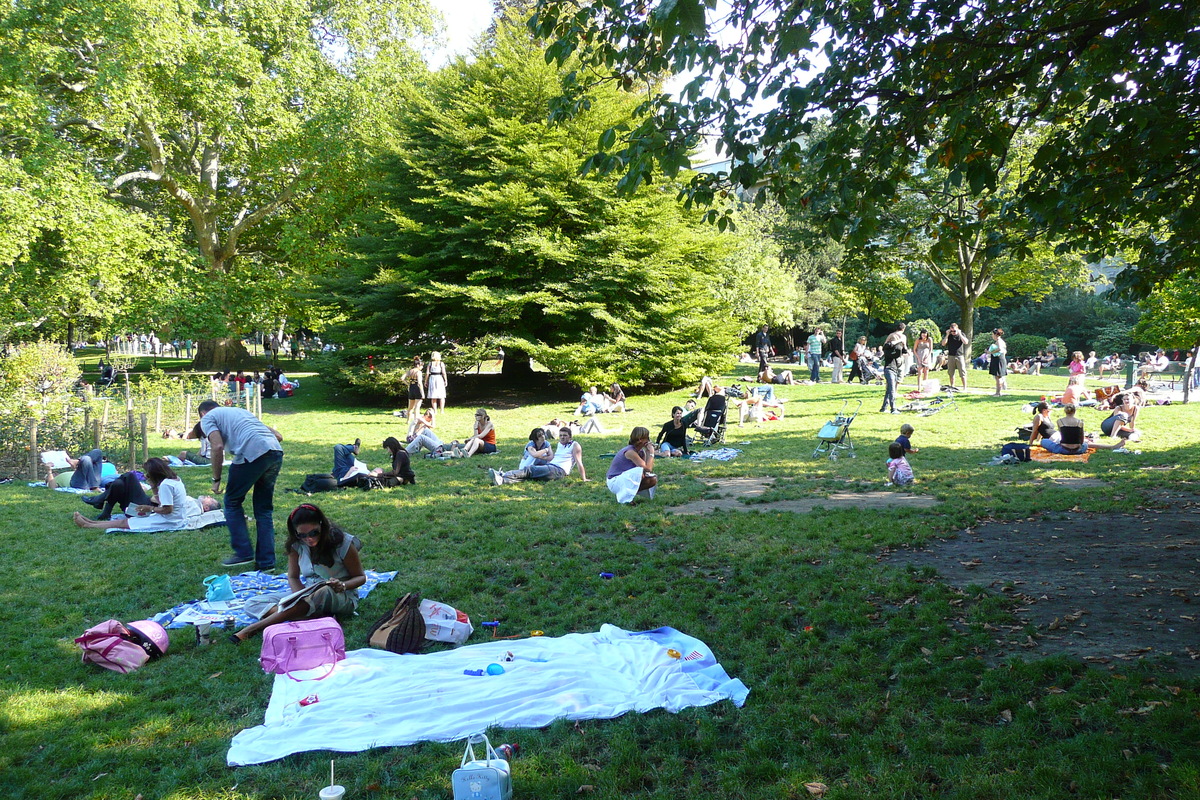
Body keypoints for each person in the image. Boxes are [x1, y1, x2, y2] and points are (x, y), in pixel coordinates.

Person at [228, 504, 365, 644]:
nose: (309, 539)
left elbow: (360, 577)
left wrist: (342, 585)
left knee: (324, 590)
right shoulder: (296, 545)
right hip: (307, 592)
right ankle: (313, 617)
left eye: (314, 533)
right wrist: (300, 597)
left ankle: (252, 629)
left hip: (341, 595)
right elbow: (293, 577)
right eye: (302, 535)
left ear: (322, 525)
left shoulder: (342, 543)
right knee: (252, 603)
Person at [198, 398, 285, 570]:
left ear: (202, 413)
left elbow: (216, 447)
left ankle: (243, 552)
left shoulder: (207, 418)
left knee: (231, 502)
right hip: (275, 451)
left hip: (252, 453)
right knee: (263, 510)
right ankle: (266, 563)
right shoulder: (240, 412)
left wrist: (216, 480)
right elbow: (278, 436)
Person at [73, 458, 217, 531]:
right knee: (120, 483)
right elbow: (164, 502)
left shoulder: (168, 485)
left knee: (124, 521)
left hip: (168, 519)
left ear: (207, 507)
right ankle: (93, 519)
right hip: (167, 516)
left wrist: (150, 509)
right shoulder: (174, 480)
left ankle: (90, 522)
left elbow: (168, 509)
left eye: (210, 499)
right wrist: (154, 487)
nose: (208, 496)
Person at [489, 426, 588, 485]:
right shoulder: (559, 444)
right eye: (560, 435)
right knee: (530, 476)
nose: (562, 437)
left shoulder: (575, 445)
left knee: (530, 470)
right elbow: (552, 458)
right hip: (551, 467)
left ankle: (503, 474)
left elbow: (579, 462)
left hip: (558, 471)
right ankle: (503, 480)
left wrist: (584, 478)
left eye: (565, 435)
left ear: (570, 436)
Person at [606, 427, 657, 504]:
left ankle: (629, 495)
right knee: (639, 471)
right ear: (640, 439)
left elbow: (646, 470)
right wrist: (652, 453)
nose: (649, 441)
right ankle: (625, 498)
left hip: (624, 479)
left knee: (652, 479)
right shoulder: (630, 452)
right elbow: (648, 468)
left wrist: (647, 452)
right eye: (647, 438)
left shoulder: (640, 452)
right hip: (614, 481)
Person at [76, 471, 152, 521]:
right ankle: (105, 512)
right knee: (119, 484)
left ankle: (100, 500)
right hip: (138, 508)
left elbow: (158, 502)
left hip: (143, 511)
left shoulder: (163, 485)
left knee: (130, 476)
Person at [880, 323, 908, 414]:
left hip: (895, 368)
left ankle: (883, 408)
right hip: (889, 368)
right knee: (892, 389)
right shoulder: (888, 348)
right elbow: (886, 345)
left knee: (889, 389)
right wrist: (898, 340)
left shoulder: (898, 351)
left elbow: (905, 351)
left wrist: (903, 343)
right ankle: (893, 409)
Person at [941, 323, 969, 389]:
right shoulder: (949, 336)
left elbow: (966, 342)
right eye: (951, 331)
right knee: (951, 372)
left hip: (960, 355)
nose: (953, 332)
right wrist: (947, 334)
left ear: (958, 329)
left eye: (954, 331)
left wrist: (959, 334)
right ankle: (952, 386)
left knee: (962, 372)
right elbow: (943, 343)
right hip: (951, 356)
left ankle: (964, 387)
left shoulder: (961, 334)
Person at [404, 356, 424, 434]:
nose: (422, 368)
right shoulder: (418, 372)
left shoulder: (410, 371)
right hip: (417, 388)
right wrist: (422, 393)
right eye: (422, 366)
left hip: (411, 387)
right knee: (417, 406)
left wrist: (408, 384)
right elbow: (419, 383)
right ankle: (416, 421)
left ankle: (408, 420)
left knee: (410, 407)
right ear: (418, 365)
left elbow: (402, 378)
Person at [426, 351, 448, 418]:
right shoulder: (441, 363)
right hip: (439, 378)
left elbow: (427, 373)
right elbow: (444, 372)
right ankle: (442, 410)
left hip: (432, 378)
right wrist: (445, 380)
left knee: (433, 395)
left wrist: (425, 381)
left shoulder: (430, 363)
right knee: (441, 395)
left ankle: (435, 411)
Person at [988, 328, 1008, 396]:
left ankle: (998, 393)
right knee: (998, 377)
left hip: (998, 359)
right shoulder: (1000, 341)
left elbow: (999, 349)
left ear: (995, 334)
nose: (992, 336)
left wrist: (990, 352)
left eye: (992, 334)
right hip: (998, 359)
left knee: (997, 377)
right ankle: (998, 391)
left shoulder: (999, 341)